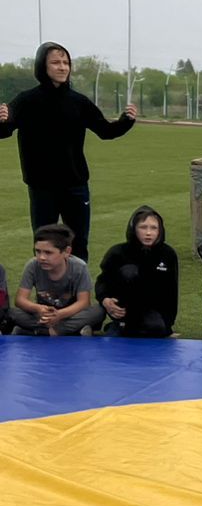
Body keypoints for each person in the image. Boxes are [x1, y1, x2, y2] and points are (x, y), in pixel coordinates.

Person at [0, 41, 137, 265]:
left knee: (78, 243)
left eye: (66, 62)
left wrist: (126, 120)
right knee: (45, 243)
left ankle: (79, 296)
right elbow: (5, 131)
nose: (62, 67)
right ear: (42, 67)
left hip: (75, 185)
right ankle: (47, 294)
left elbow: (105, 131)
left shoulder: (79, 102)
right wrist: (2, 119)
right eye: (55, 62)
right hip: (42, 186)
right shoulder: (26, 100)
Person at [95, 205, 179, 337]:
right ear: (134, 229)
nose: (148, 233)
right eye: (143, 227)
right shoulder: (117, 252)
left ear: (160, 230)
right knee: (129, 271)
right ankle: (120, 324)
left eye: (153, 228)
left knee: (156, 328)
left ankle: (123, 328)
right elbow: (103, 281)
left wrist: (168, 323)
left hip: (152, 308)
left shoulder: (167, 254)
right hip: (124, 307)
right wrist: (105, 300)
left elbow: (172, 291)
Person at [6, 223, 104, 336]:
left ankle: (42, 331)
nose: (42, 257)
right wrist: (38, 308)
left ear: (67, 252)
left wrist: (60, 314)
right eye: (38, 251)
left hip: (70, 314)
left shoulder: (79, 267)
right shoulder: (33, 265)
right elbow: (20, 300)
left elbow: (84, 302)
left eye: (48, 253)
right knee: (13, 312)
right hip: (43, 315)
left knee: (98, 311)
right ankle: (69, 331)